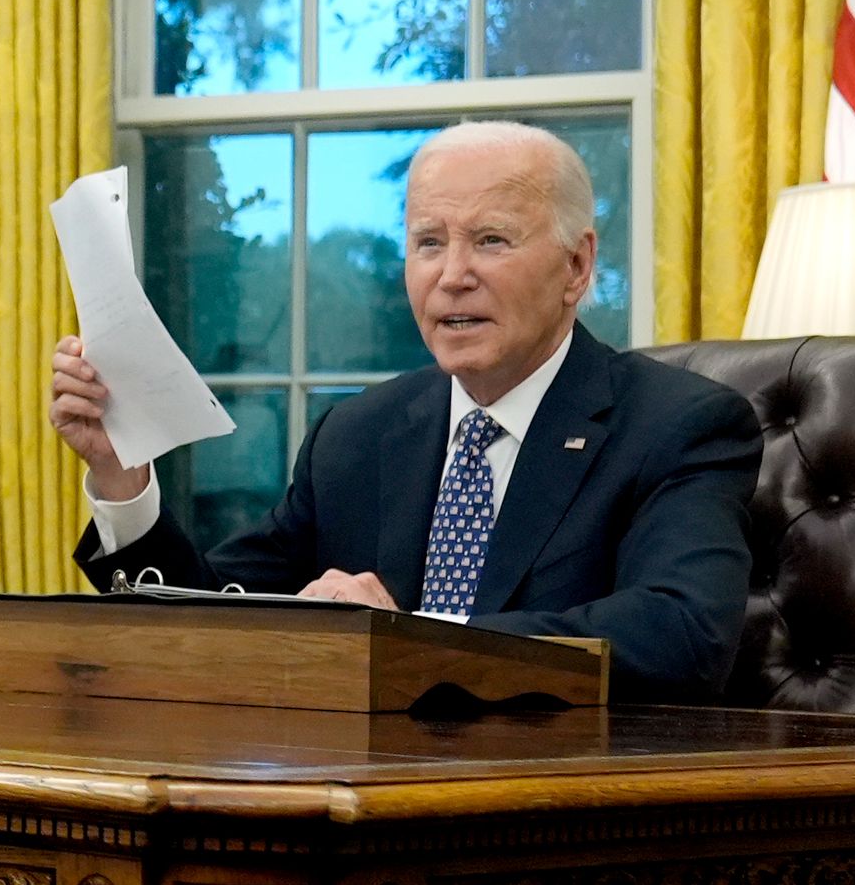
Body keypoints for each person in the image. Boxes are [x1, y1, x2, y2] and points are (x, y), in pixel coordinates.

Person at [48, 120, 760, 700]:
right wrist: (122, 477)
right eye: (428, 243)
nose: (453, 276)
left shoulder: (678, 425)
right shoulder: (359, 436)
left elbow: (682, 634)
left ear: (576, 267)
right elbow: (212, 617)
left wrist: (414, 639)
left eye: (491, 240)